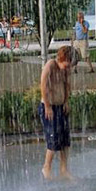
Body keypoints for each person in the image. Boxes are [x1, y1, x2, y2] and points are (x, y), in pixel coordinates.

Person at [39, 45, 77, 180]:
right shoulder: (50, 65)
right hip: (49, 108)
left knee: (65, 139)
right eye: (68, 64)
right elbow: (43, 85)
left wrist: (66, 101)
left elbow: (67, 86)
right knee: (54, 137)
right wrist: (48, 106)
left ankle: (63, 169)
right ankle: (46, 167)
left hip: (61, 106)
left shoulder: (65, 70)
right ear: (63, 58)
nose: (69, 68)